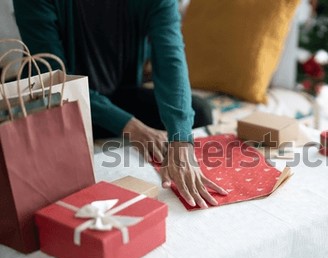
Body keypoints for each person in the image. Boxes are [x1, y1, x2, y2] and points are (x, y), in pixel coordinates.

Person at [13, 0, 227, 209]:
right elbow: (54, 77)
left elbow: (171, 60)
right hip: (61, 104)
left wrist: (181, 141)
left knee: (198, 114)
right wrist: (132, 127)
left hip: (119, 95)